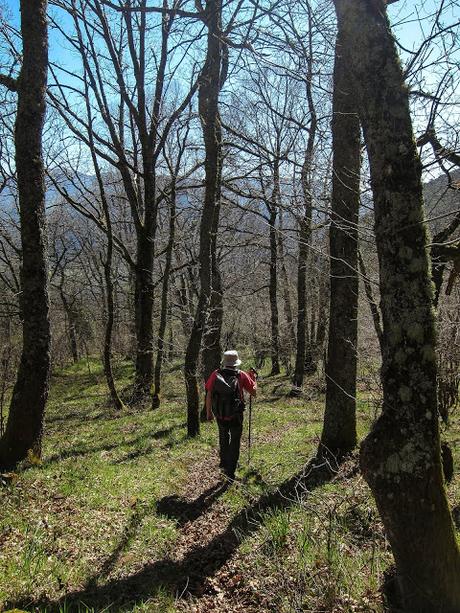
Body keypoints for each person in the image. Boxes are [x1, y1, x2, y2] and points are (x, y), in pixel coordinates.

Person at [205, 350, 257, 480]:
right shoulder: (242, 375)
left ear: (225, 362)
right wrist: (254, 380)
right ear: (236, 363)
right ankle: (231, 470)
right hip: (236, 415)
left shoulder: (215, 374)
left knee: (223, 436)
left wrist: (209, 412)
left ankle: (224, 462)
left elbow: (209, 394)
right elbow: (254, 393)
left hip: (220, 414)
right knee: (235, 441)